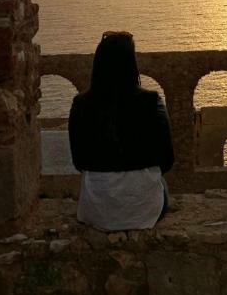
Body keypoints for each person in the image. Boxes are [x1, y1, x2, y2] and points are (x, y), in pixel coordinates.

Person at [68, 31, 174, 231]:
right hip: (144, 210)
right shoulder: (151, 101)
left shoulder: (81, 103)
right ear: (131, 64)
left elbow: (79, 161)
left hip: (96, 210)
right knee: (163, 187)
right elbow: (167, 159)